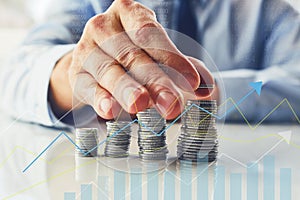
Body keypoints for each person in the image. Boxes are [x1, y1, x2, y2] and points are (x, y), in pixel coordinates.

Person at [0, 0, 300, 128]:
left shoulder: (267, 10)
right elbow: (17, 72)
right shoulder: (82, 5)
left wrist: (207, 92)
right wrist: (75, 73)